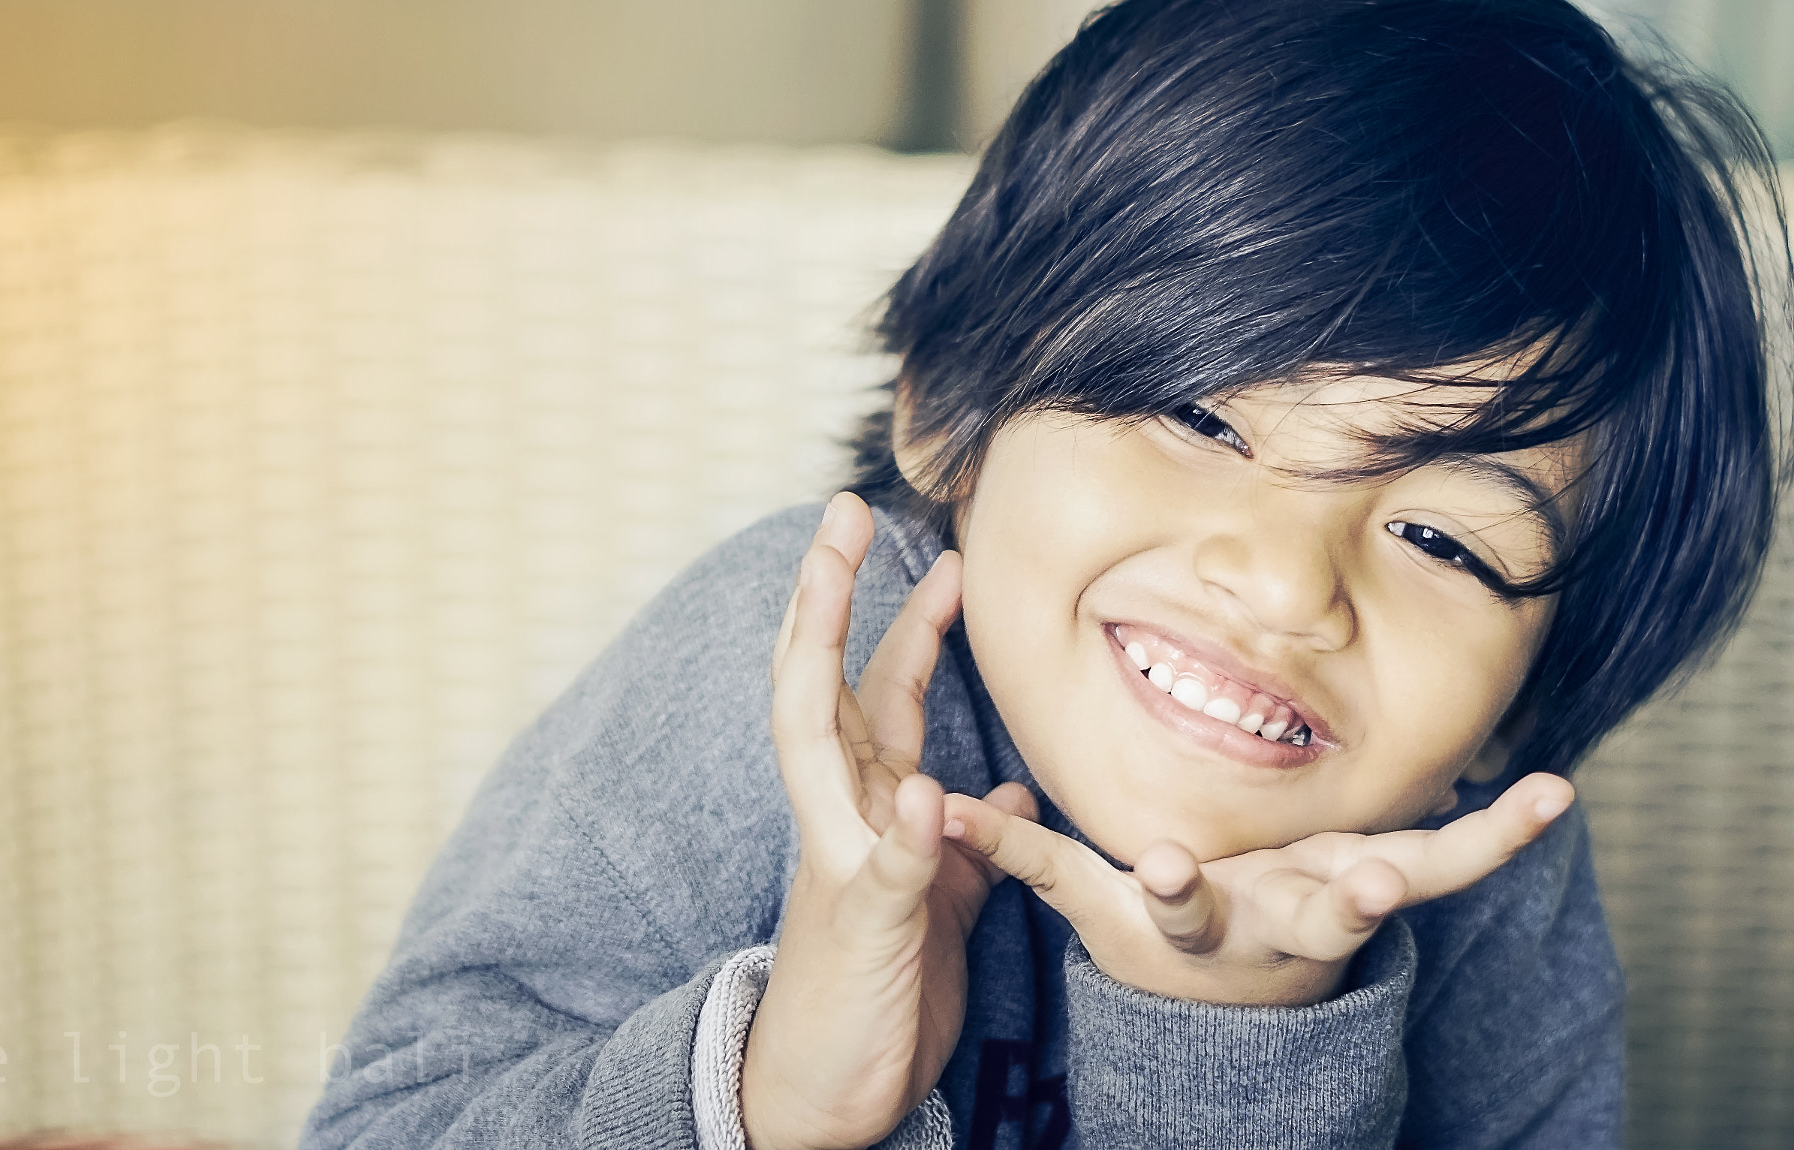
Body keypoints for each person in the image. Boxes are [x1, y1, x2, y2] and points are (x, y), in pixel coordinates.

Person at [300, 0, 1788, 1146]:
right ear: (953, 410)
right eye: (1203, 412)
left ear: (1534, 702)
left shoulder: (1483, 878)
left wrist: (1238, 1040)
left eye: (1446, 537)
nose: (1283, 583)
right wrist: (777, 1087)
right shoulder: (785, 691)